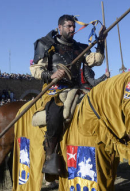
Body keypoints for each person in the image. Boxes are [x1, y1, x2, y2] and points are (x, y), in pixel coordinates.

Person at [29, 14, 107, 176]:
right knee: (57, 112)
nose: (72, 29)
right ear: (60, 27)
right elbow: (35, 69)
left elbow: (96, 60)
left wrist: (100, 42)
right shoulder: (46, 44)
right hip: (53, 89)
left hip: (76, 88)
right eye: (69, 26)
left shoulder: (79, 47)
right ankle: (50, 157)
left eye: (73, 26)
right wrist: (51, 75)